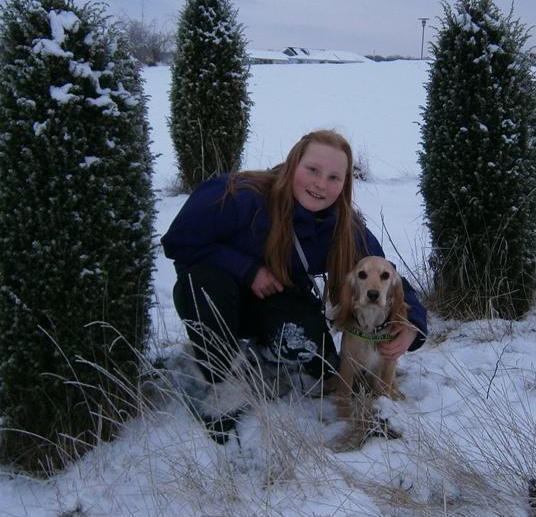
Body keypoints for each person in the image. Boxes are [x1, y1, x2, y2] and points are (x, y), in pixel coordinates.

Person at [161, 129, 428, 443]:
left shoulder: (341, 226)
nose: (320, 184)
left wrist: (413, 323)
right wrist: (247, 269)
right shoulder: (237, 194)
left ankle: (263, 356)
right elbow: (177, 242)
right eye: (312, 170)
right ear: (292, 164)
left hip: (274, 300)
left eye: (333, 177)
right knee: (205, 285)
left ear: (345, 184)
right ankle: (216, 374)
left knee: (305, 343)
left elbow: (383, 271)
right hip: (214, 296)